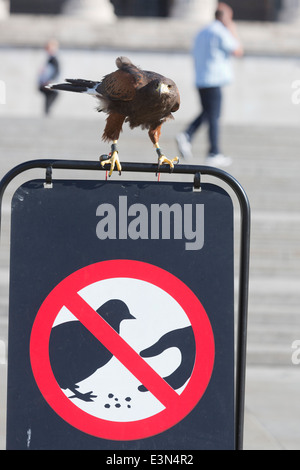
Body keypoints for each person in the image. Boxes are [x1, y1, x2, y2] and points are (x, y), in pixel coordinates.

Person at [176, 3, 243, 167]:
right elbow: (238, 50)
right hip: (214, 80)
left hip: (201, 79)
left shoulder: (202, 31)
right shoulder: (220, 31)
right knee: (214, 115)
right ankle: (213, 151)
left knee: (209, 112)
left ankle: (187, 135)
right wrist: (232, 28)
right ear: (225, 17)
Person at [38, 39, 60, 115]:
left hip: (50, 82)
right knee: (49, 97)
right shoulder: (49, 59)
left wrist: (51, 79)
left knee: (50, 97)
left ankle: (47, 112)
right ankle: (47, 112)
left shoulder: (53, 59)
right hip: (47, 82)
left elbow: (56, 70)